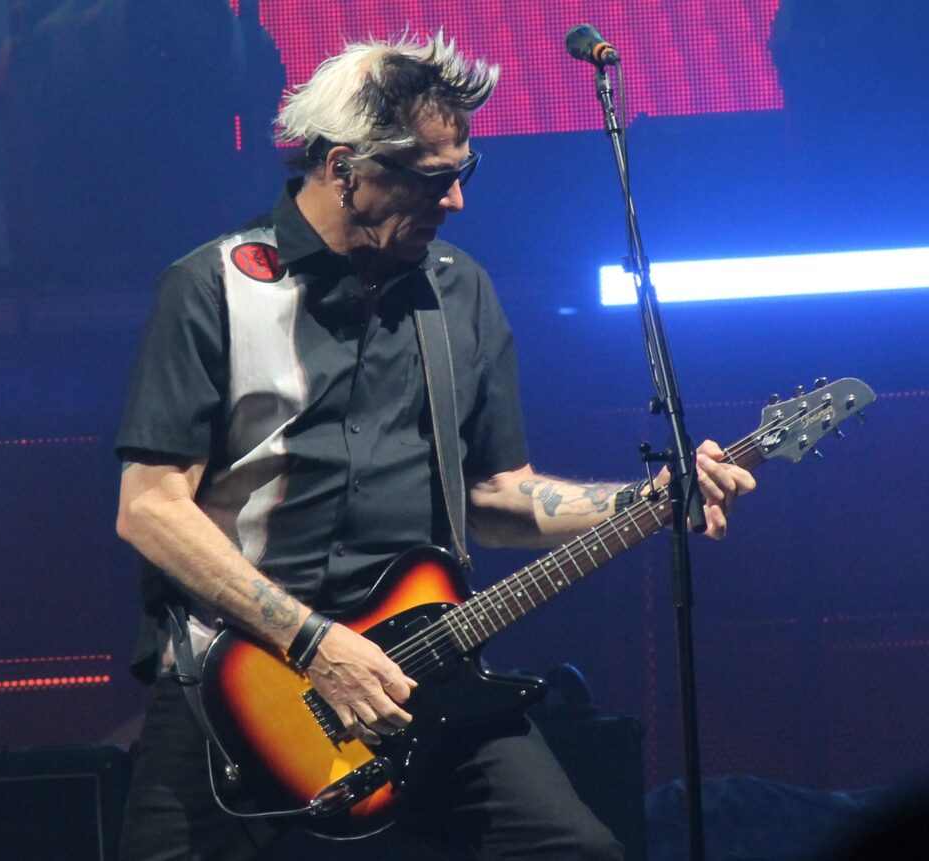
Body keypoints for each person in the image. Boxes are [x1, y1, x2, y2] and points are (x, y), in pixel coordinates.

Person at [115, 33, 756, 861]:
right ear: (344, 168)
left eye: (463, 172)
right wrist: (314, 641)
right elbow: (150, 507)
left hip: (425, 671)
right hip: (238, 687)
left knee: (576, 850)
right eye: (428, 177)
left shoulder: (458, 291)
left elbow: (496, 493)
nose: (454, 200)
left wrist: (650, 499)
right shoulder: (213, 287)